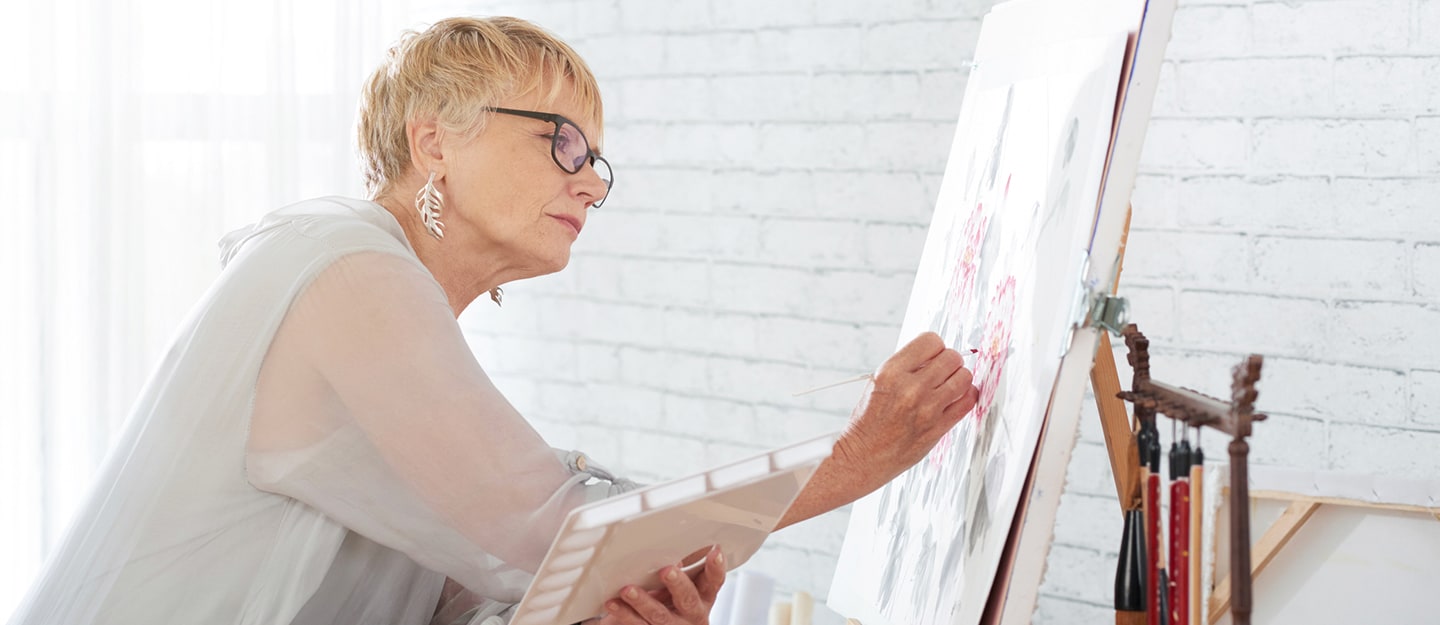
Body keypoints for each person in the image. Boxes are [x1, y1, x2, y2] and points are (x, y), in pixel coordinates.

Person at [7, 16, 978, 625]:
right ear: (435, 140)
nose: (593, 182)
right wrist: (860, 460)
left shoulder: (395, 320)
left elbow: (470, 598)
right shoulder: (344, 268)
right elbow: (557, 532)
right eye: (563, 142)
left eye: (599, 160)